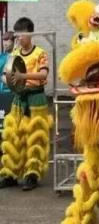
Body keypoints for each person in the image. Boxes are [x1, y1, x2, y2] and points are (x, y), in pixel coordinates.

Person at [0, 17, 52, 191]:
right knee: (14, 136)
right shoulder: (15, 54)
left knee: (35, 137)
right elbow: (6, 74)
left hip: (36, 98)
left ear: (30, 34)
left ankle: (32, 175)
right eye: (17, 35)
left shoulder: (40, 53)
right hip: (18, 98)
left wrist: (23, 76)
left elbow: (43, 75)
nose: (18, 38)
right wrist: (8, 80)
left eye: (21, 34)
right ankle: (10, 173)